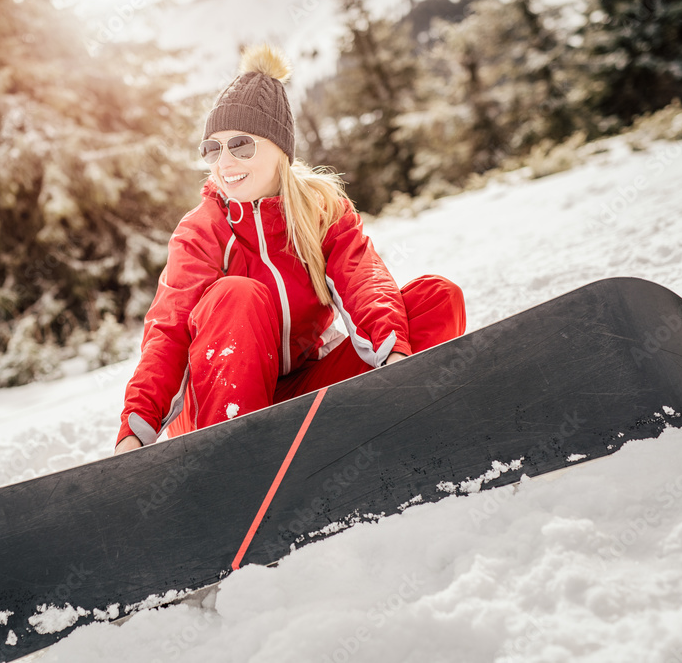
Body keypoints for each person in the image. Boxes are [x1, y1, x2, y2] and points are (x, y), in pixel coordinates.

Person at [114, 44, 465, 455]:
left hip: (301, 392)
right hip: (215, 407)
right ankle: (235, 459)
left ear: (279, 148)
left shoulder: (320, 209)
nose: (224, 161)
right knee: (237, 294)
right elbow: (167, 334)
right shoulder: (201, 231)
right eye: (213, 148)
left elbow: (364, 280)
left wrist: (394, 359)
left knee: (436, 298)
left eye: (241, 145)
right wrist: (134, 432)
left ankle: (371, 432)